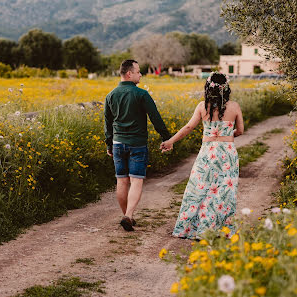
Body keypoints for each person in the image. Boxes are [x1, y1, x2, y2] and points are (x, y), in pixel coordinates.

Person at [160, 72, 244, 239]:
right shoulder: (234, 107)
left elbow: (188, 128)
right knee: (223, 191)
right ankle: (220, 229)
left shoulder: (202, 106)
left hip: (208, 152)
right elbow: (240, 131)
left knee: (199, 189)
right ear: (226, 88)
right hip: (227, 153)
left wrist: (170, 141)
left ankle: (193, 229)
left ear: (208, 88)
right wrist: (227, 136)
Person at [104, 59, 172, 232]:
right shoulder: (142, 94)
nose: (140, 74)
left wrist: (109, 144)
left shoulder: (110, 95)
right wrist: (166, 137)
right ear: (129, 74)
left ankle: (127, 216)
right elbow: (155, 118)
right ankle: (128, 215)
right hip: (137, 144)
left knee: (121, 180)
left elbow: (108, 123)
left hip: (118, 143)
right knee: (136, 180)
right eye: (138, 71)